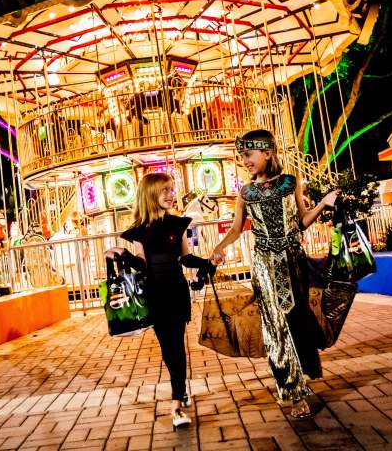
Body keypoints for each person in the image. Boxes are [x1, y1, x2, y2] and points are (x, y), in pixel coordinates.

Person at [210, 129, 338, 419]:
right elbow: (236, 228)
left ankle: (301, 375)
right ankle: (292, 392)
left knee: (296, 320)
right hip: (265, 264)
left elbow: (303, 222)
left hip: (294, 261)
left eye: (249, 155)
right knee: (275, 326)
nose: (245, 161)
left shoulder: (291, 183)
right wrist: (219, 247)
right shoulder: (245, 193)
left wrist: (323, 204)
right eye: (242, 156)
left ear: (267, 153)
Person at [107, 172, 216, 428]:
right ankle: (181, 388)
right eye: (166, 190)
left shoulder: (178, 224)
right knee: (169, 350)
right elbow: (142, 265)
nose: (171, 194)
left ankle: (177, 403)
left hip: (177, 293)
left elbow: (186, 258)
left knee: (177, 348)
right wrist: (121, 254)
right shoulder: (139, 232)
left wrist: (208, 261)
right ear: (150, 194)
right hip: (155, 297)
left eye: (172, 189)